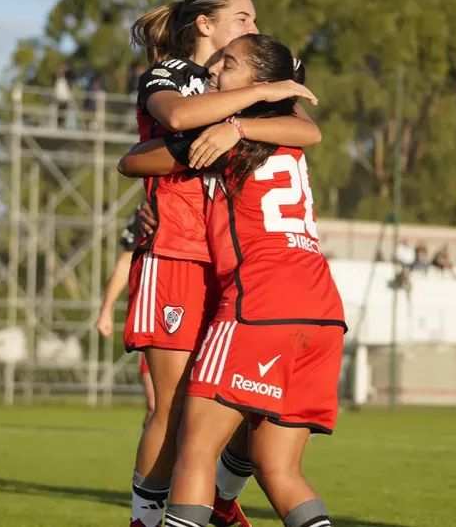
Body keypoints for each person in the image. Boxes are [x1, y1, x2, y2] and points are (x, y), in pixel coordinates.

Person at [119, 33, 345, 527]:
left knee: (195, 449)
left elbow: (132, 162)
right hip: (324, 311)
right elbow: (311, 131)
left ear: (261, 84)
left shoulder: (224, 137)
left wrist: (228, 128)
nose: (215, 72)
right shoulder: (289, 132)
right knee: (279, 468)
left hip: (260, 303)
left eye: (230, 65)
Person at [95, 213, 155, 426]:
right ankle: (153, 459)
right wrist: (106, 309)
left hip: (203, 315)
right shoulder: (147, 209)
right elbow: (126, 261)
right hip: (155, 318)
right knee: (156, 405)